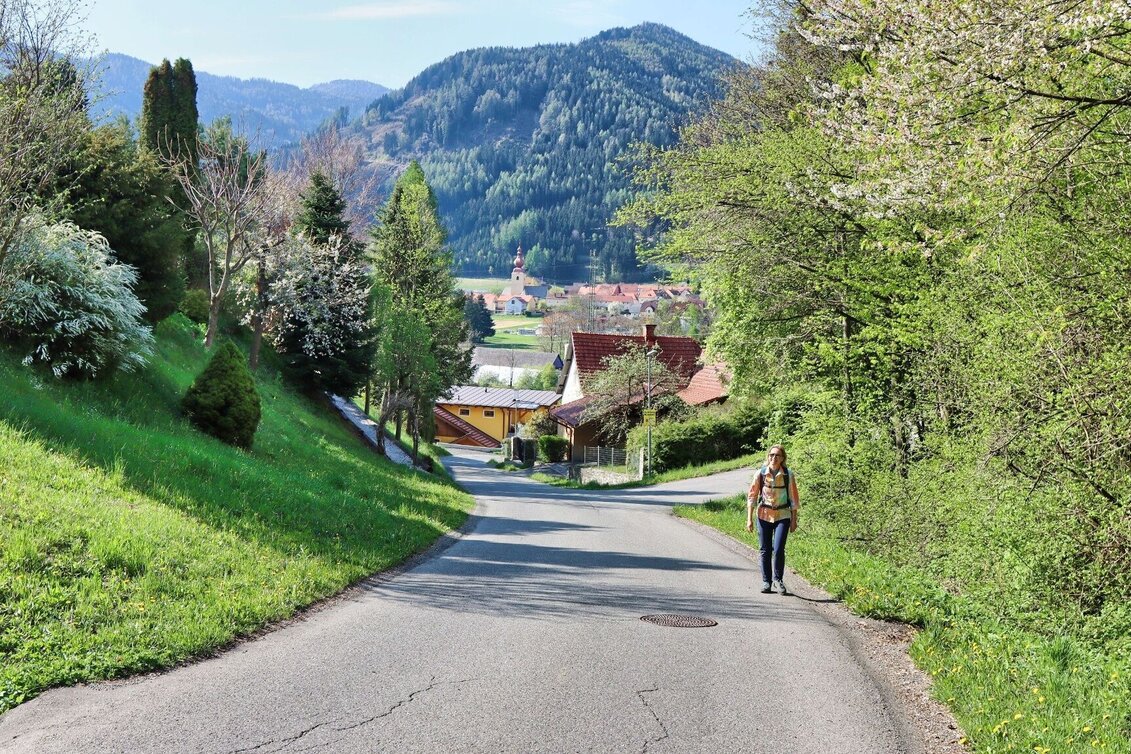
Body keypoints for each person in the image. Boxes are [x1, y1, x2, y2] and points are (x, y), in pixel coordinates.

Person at [745, 445, 799, 595]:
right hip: (763, 515)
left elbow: (794, 499)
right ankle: (766, 581)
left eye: (777, 456)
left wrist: (794, 520)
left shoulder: (788, 474)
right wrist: (749, 519)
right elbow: (752, 497)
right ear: (768, 457)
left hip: (783, 515)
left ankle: (778, 580)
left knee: (779, 549)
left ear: (783, 458)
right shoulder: (760, 474)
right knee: (765, 550)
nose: (774, 458)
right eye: (771, 455)